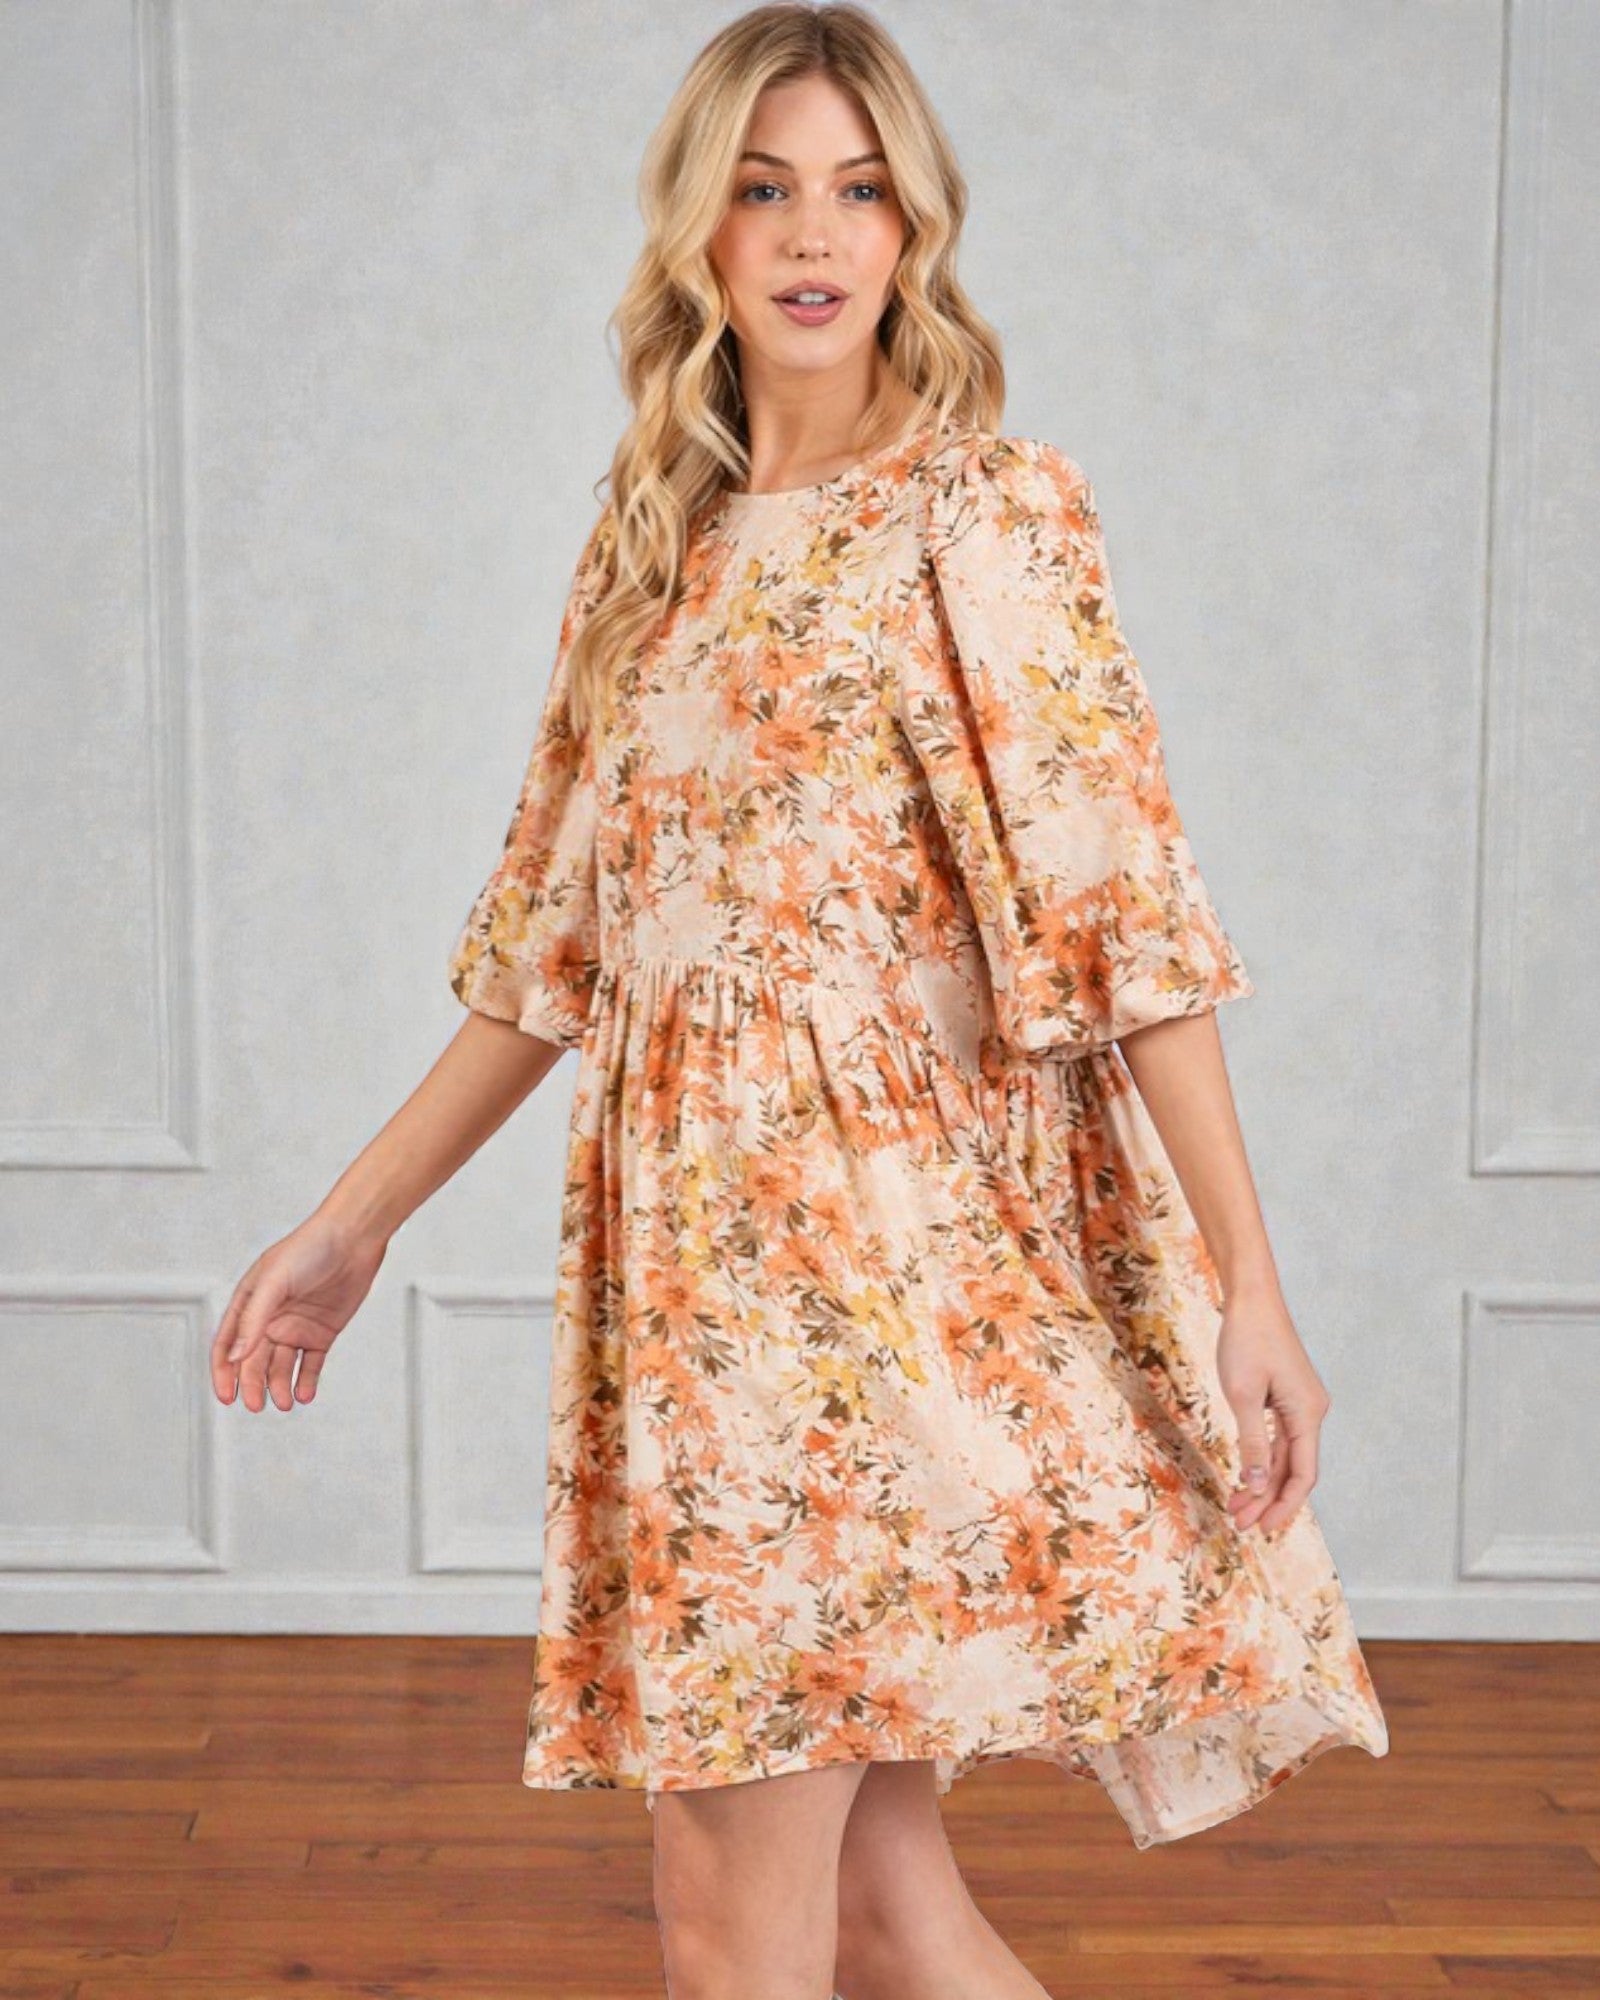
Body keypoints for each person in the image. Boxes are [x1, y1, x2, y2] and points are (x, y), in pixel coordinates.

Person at [210, 6, 1389, 1996]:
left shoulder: (981, 515)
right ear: (702, 227)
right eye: (766, 189)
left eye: (859, 188)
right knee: (875, 1903)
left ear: (916, 227)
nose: (815, 233)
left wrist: (1247, 1287)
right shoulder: (648, 549)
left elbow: (1127, 921)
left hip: (872, 1287)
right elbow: (553, 955)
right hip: (690, 1285)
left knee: (726, 1910)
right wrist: (352, 1227)